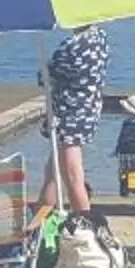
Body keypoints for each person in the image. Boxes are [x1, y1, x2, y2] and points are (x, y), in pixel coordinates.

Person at [43, 24, 108, 215]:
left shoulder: (70, 47)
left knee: (72, 177)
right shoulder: (100, 38)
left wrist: (46, 67)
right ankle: (40, 220)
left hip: (69, 116)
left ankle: (86, 221)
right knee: (53, 172)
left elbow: (48, 77)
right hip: (89, 110)